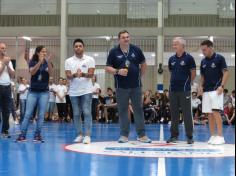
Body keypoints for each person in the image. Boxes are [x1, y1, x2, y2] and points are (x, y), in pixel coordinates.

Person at [105, 30, 151, 143]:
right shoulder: (113, 52)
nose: (126, 39)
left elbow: (144, 65)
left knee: (138, 110)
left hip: (136, 86)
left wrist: (139, 76)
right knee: (123, 110)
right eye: (123, 37)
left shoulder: (136, 50)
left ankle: (142, 135)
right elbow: (107, 68)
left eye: (128, 37)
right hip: (121, 87)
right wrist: (117, 71)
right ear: (119, 39)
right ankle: (124, 135)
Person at [16, 45, 53, 142]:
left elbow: (51, 72)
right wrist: (40, 62)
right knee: (28, 114)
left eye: (45, 51)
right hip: (33, 92)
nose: (44, 53)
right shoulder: (33, 61)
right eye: (42, 51)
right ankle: (22, 135)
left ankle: (37, 135)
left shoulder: (47, 62)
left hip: (44, 93)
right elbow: (32, 72)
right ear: (37, 53)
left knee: (41, 115)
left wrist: (47, 62)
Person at [65, 39, 95, 144]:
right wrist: (74, 75)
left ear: (83, 47)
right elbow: (68, 76)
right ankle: (79, 134)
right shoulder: (68, 61)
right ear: (73, 48)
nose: (78, 47)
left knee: (87, 112)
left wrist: (82, 74)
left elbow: (91, 75)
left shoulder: (90, 59)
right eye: (76, 46)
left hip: (86, 90)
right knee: (76, 114)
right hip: (73, 92)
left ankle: (87, 135)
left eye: (80, 46)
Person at [167, 37, 196, 144]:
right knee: (173, 114)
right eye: (173, 44)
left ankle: (189, 136)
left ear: (182, 46)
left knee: (187, 113)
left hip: (184, 90)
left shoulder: (189, 58)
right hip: (173, 90)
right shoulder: (171, 59)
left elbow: (193, 73)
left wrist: (187, 84)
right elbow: (171, 72)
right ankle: (174, 136)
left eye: (176, 44)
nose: (173, 45)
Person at [200, 40, 229, 145]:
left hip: (216, 90)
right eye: (202, 50)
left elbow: (226, 73)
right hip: (206, 91)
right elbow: (202, 76)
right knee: (209, 114)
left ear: (211, 47)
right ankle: (212, 136)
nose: (203, 52)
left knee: (216, 112)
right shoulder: (203, 62)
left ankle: (221, 136)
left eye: (205, 49)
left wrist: (222, 86)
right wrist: (200, 87)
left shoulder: (219, 58)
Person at [0, 42, 15, 138]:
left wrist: (8, 64)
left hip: (7, 87)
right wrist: (3, 64)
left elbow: (12, 74)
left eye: (5, 48)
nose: (4, 50)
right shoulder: (4, 61)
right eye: (2, 48)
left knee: (6, 111)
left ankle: (5, 131)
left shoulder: (8, 60)